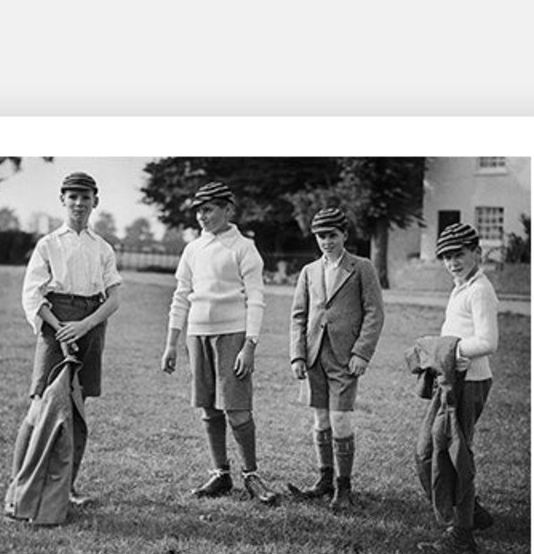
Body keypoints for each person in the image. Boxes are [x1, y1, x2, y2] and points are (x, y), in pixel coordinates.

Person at [7, 171, 122, 509]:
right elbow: (33, 294)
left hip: (90, 325)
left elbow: (113, 299)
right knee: (40, 404)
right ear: (62, 200)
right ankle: (20, 486)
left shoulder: (102, 248)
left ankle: (66, 489)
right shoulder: (48, 244)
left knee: (76, 410)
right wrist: (61, 328)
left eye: (85, 197)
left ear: (95, 202)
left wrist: (85, 326)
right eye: (72, 196)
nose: (79, 203)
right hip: (55, 323)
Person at [161, 181, 276, 504]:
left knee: (237, 411)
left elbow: (256, 298)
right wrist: (172, 342)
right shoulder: (192, 249)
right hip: (197, 336)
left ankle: (251, 475)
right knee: (209, 409)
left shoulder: (243, 247)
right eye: (199, 210)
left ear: (228, 209)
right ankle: (220, 473)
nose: (203, 216)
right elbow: (181, 295)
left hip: (233, 335)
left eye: (209, 208)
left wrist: (249, 344)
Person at [288, 207, 385, 511]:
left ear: (344, 235)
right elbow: (299, 316)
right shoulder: (309, 271)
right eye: (321, 236)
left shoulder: (362, 267)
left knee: (340, 419)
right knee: (320, 419)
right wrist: (297, 355)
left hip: (345, 358)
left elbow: (374, 313)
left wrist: (361, 353)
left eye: (332, 235)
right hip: (315, 355)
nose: (326, 241)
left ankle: (344, 487)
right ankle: (324, 479)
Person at [411, 222, 499, 554]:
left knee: (455, 455)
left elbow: (489, 341)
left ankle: (462, 535)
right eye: (446, 256)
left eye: (459, 254)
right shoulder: (461, 285)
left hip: (470, 383)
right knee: (428, 451)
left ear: (477, 252)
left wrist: (448, 351)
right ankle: (471, 513)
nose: (452, 262)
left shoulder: (479, 289)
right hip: (451, 381)